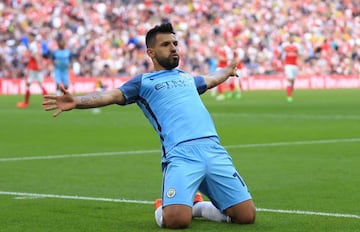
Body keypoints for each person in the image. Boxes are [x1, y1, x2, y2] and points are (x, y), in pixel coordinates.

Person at [42, 22, 256, 229]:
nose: (173, 48)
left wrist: (226, 71)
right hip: (181, 155)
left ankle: (197, 206)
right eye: (165, 45)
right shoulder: (143, 82)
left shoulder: (187, 78)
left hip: (213, 150)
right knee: (177, 221)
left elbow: (210, 79)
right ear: (151, 53)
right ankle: (163, 207)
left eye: (175, 44)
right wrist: (77, 101)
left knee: (246, 216)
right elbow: (111, 94)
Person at [17, 31, 48, 108]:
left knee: (28, 83)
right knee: (40, 84)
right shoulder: (37, 45)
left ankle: (25, 102)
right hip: (36, 66)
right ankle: (48, 101)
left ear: (32, 37)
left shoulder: (32, 45)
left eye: (29, 36)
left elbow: (35, 55)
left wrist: (38, 65)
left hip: (34, 67)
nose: (28, 38)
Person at [281, 34, 301, 103]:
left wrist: (300, 63)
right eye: (290, 38)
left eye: (292, 38)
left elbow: (299, 55)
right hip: (288, 65)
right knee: (289, 79)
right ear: (288, 39)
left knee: (293, 80)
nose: (291, 39)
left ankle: (290, 92)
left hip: (294, 65)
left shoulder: (297, 46)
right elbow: (281, 54)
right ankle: (289, 96)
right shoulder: (285, 46)